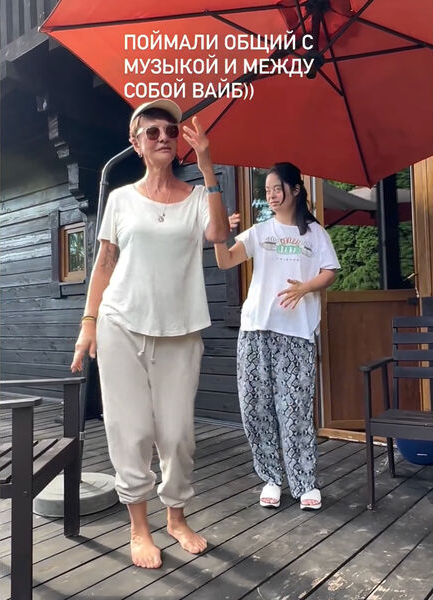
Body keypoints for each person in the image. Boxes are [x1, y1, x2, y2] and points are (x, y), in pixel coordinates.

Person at [70, 99, 230, 569]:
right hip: (120, 324)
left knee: (178, 435)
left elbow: (219, 234)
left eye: (171, 131)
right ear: (135, 143)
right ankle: (139, 527)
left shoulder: (197, 197)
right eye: (153, 131)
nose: (164, 137)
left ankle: (176, 518)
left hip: (180, 331)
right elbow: (104, 265)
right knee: (131, 431)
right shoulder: (120, 200)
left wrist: (208, 166)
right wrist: (88, 324)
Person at [214, 162, 340, 510]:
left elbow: (330, 271)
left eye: (276, 188)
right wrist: (221, 234)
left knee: (295, 408)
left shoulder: (315, 234)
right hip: (255, 329)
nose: (270, 195)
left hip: (297, 332)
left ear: (295, 190)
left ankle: (305, 483)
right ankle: (271, 477)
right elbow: (225, 261)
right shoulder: (259, 231)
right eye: (267, 189)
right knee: (255, 407)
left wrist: (305, 287)